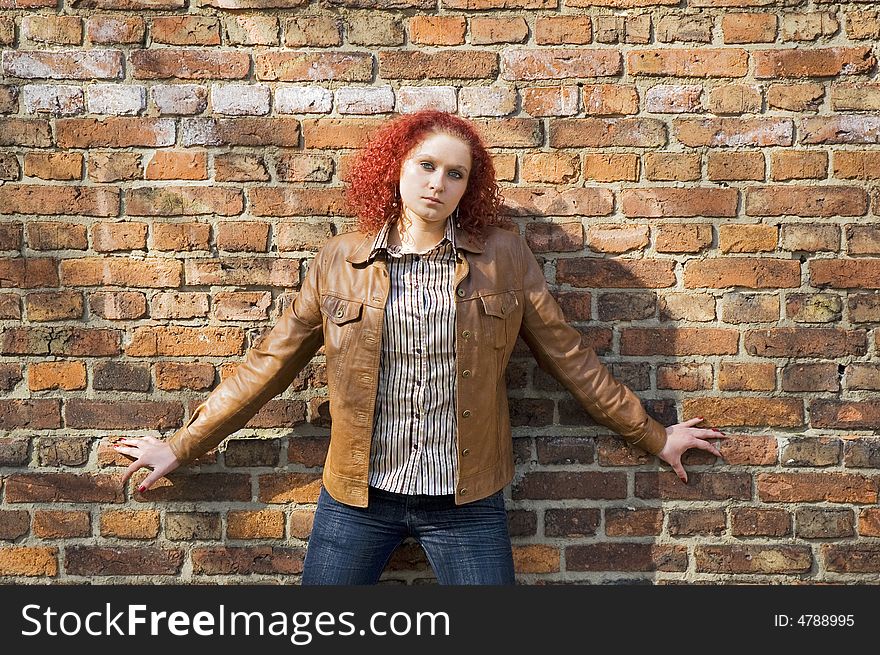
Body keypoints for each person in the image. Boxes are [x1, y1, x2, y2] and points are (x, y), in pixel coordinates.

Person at [115, 109, 727, 585]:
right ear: (397, 168)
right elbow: (267, 367)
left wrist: (654, 434)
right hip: (358, 496)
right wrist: (180, 446)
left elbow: (570, 358)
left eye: (455, 173)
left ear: (470, 186)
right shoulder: (341, 260)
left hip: (465, 498)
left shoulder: (503, 257)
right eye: (426, 165)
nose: (438, 183)